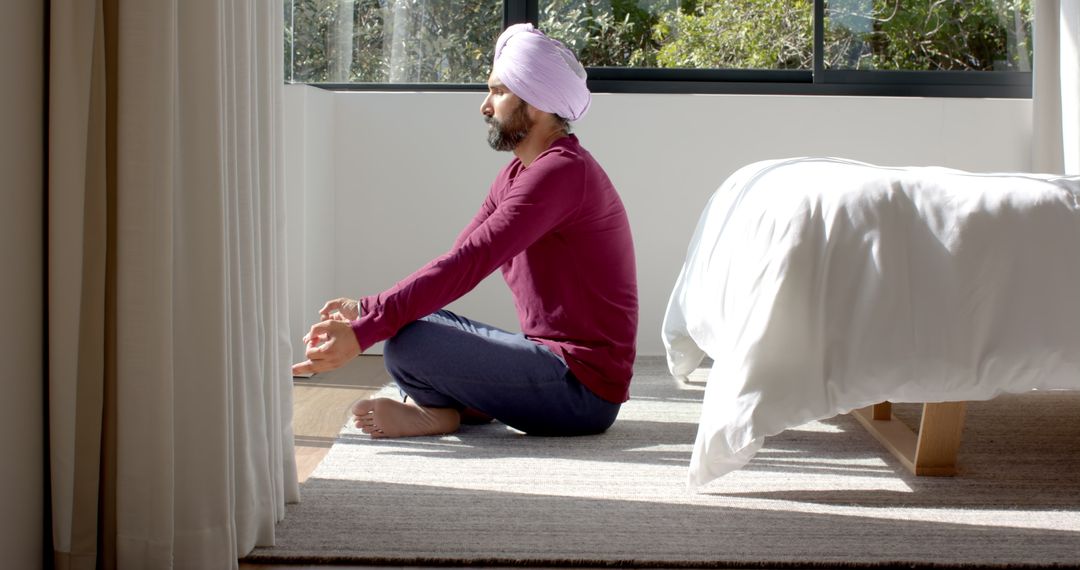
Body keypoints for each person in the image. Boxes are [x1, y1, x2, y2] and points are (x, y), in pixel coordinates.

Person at [291, 23, 638, 439]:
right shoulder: (519, 172)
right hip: (546, 361)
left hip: (583, 392)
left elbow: (470, 263)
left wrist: (364, 332)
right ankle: (451, 411)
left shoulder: (561, 173)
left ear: (539, 102)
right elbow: (458, 258)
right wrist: (368, 309)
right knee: (411, 320)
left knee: (409, 343)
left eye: (498, 91)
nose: (485, 106)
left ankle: (441, 410)